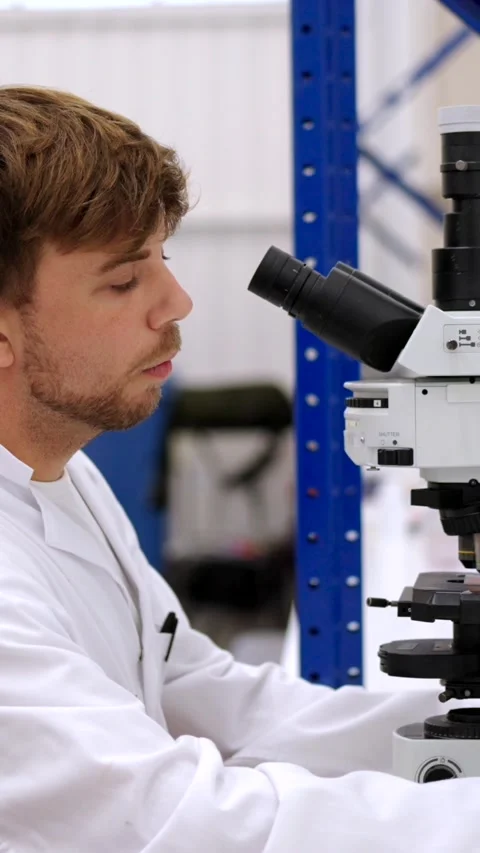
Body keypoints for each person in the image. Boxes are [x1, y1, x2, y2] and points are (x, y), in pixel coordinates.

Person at [0, 84, 475, 853]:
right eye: (123, 280)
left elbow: (206, 699)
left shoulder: (62, 472)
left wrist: (452, 730)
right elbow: (188, 825)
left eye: (163, 258)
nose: (177, 302)